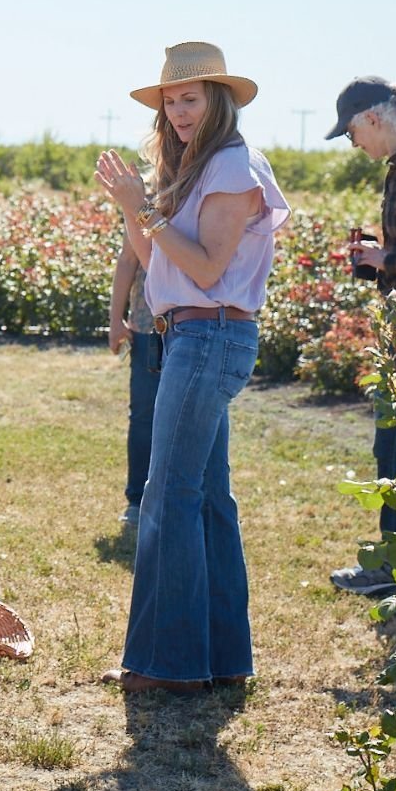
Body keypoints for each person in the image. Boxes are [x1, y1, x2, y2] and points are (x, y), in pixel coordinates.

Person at [94, 42, 288, 693]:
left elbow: (205, 269)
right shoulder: (202, 168)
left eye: (189, 98)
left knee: (168, 498)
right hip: (192, 337)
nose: (177, 111)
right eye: (170, 100)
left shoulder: (233, 165)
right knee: (204, 500)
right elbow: (162, 270)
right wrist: (133, 206)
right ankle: (222, 660)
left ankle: (167, 664)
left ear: (218, 101)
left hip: (210, 339)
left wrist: (144, 207)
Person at [324, 76, 396, 595]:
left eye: (349, 133)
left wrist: (390, 259)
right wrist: (380, 260)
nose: (353, 144)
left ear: (371, 118)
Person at [108, 239, 160, 527]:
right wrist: (116, 320)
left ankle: (201, 500)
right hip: (147, 328)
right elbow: (128, 259)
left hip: (193, 327)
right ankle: (137, 501)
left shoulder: (206, 196)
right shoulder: (146, 201)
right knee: (143, 415)